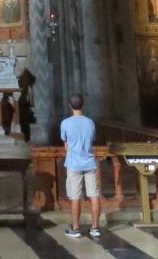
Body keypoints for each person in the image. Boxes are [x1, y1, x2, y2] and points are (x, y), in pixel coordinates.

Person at [60, 93, 101, 238]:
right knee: (94, 195)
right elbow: (92, 138)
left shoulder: (65, 123)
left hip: (73, 163)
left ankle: (76, 228)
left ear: (69, 106)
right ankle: (95, 228)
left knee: (75, 196)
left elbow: (64, 140)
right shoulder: (90, 123)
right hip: (89, 162)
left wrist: (68, 144)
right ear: (83, 105)